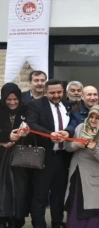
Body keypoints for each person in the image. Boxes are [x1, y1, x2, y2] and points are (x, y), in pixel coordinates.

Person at [26, 79, 74, 228]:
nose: (56, 95)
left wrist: (68, 132)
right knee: (40, 195)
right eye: (52, 92)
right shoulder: (35, 105)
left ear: (63, 92)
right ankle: (39, 224)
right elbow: (32, 124)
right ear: (46, 92)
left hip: (63, 156)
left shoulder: (67, 104)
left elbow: (74, 122)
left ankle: (57, 223)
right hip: (44, 157)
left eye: (59, 92)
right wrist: (50, 134)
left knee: (59, 195)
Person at [64, 105, 99, 228]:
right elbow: (68, 147)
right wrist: (77, 145)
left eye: (97, 118)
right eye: (91, 117)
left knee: (91, 206)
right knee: (75, 204)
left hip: (93, 178)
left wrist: (95, 149)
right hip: (76, 174)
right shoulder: (80, 128)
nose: (93, 120)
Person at [0, 83, 31, 228]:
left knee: (20, 190)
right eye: (9, 99)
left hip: (21, 159)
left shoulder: (26, 110)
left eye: (15, 99)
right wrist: (4, 139)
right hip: (1, 159)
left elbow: (34, 130)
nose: (12, 102)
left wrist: (24, 134)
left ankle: (17, 220)